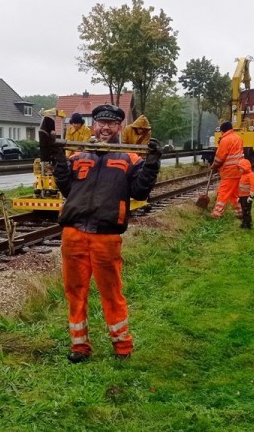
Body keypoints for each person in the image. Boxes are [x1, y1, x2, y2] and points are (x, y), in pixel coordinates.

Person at [52, 104, 162, 363]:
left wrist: (152, 165)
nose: (105, 128)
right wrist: (58, 158)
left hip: (106, 237)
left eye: (111, 124)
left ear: (119, 128)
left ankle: (122, 347)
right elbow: (66, 188)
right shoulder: (78, 157)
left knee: (111, 293)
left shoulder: (130, 160)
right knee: (75, 292)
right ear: (94, 126)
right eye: (101, 122)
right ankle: (79, 347)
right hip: (73, 235)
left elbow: (139, 192)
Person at [210, 121, 244, 219]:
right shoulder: (238, 138)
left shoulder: (225, 140)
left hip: (229, 172)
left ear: (223, 131)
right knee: (234, 193)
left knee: (223, 192)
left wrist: (214, 165)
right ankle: (240, 212)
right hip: (239, 170)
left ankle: (216, 214)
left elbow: (220, 157)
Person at [237, 158, 254, 229]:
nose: (240, 170)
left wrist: (251, 197)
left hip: (247, 196)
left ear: (245, 168)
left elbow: (252, 187)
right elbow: (241, 186)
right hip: (242, 196)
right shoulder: (243, 175)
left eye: (241, 168)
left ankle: (248, 224)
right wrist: (239, 196)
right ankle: (245, 222)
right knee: (244, 210)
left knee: (247, 210)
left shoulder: (251, 175)